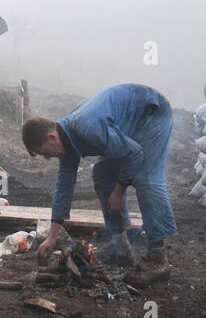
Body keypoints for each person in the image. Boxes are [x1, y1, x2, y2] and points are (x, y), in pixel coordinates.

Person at [23, 83, 178, 287]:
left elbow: (134, 153)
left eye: (45, 153)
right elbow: (63, 186)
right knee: (103, 173)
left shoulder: (87, 126)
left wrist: (119, 190)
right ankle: (119, 245)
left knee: (145, 178)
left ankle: (158, 258)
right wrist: (52, 237)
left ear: (51, 137)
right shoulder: (67, 139)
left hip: (151, 114)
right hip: (129, 124)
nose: (48, 158)